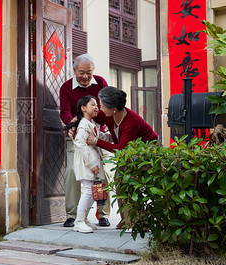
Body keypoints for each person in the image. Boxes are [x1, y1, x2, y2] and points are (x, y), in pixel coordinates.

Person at [87, 86, 159, 228]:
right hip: (129, 153)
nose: (100, 108)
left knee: (129, 183)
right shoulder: (109, 115)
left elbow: (121, 149)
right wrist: (77, 120)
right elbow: (91, 115)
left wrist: (96, 141)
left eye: (102, 105)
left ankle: (136, 221)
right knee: (119, 181)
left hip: (146, 152)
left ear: (113, 107)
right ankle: (126, 219)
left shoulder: (130, 121)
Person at [59, 54, 111, 228]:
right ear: (74, 71)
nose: (85, 76)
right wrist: (72, 125)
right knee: (72, 172)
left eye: (88, 72)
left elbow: (106, 108)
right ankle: (72, 215)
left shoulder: (101, 83)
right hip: (76, 136)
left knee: (102, 175)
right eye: (81, 72)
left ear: (93, 71)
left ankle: (103, 214)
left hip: (98, 136)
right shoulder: (66, 87)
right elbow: (64, 112)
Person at [65, 95, 112, 233]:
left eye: (97, 105)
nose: (96, 107)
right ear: (83, 108)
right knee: (87, 192)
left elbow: (97, 139)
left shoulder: (91, 124)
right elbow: (79, 142)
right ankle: (78, 222)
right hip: (87, 164)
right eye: (93, 104)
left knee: (91, 193)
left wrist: (107, 136)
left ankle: (84, 219)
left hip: (92, 163)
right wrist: (91, 163)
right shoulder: (84, 125)